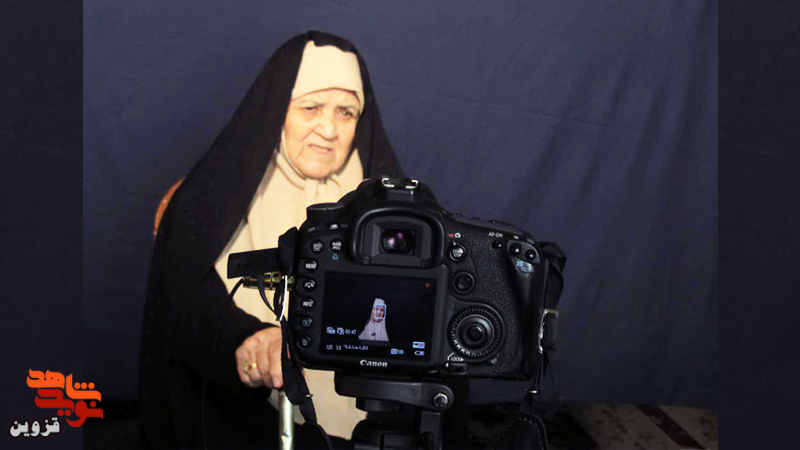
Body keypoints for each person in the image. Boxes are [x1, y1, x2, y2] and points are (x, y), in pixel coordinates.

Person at [138, 31, 404, 449]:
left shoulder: (390, 204)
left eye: (346, 112)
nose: (329, 129)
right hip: (243, 420)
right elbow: (184, 304)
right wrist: (247, 340)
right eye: (311, 108)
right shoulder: (211, 197)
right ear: (279, 109)